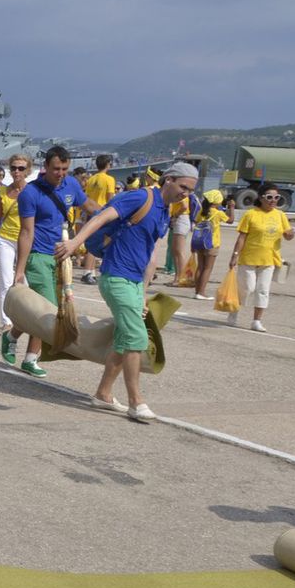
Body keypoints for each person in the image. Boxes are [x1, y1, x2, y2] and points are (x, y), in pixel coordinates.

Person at [56, 161, 196, 423]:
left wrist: (143, 292)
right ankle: (136, 402)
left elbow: (151, 253)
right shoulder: (140, 197)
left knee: (123, 341)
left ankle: (103, 394)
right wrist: (75, 242)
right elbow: (100, 217)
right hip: (116, 277)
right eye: (183, 187)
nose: (185, 194)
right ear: (168, 180)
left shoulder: (165, 211)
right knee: (136, 338)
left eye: (190, 190)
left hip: (134, 282)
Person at [10, 146, 83, 377]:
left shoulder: (71, 185)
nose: (60, 173)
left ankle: (13, 337)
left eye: (64, 169)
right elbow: (26, 232)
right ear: (46, 167)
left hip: (61, 256)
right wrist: (19, 270)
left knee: (49, 310)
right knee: (48, 310)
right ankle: (31, 358)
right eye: (56, 169)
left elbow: (88, 205)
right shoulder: (30, 193)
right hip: (38, 256)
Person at [224, 182, 295, 332]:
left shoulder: (280, 215)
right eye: (269, 197)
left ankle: (256, 321)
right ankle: (233, 312)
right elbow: (242, 237)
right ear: (261, 198)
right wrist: (235, 255)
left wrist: (290, 234)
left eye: (276, 197)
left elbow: (288, 235)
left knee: (263, 290)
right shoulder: (250, 214)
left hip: (269, 259)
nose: (273, 200)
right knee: (247, 288)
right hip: (248, 258)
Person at [0, 155, 31, 356]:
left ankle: (27, 319)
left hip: (26, 240)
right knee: (6, 281)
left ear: (28, 170)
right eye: (14, 168)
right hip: (5, 239)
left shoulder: (32, 191)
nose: (16, 171)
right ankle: (7, 322)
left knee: (26, 284)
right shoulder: (3, 191)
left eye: (21, 168)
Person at [190, 189, 231, 299]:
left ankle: (197, 291)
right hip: (212, 243)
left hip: (200, 242)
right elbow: (230, 220)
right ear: (217, 201)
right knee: (207, 268)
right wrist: (231, 207)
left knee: (200, 267)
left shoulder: (201, 211)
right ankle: (201, 292)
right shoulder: (218, 213)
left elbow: (196, 222)